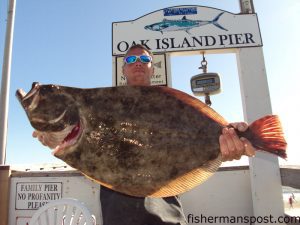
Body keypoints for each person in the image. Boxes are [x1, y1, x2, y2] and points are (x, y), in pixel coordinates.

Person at [33, 44, 255, 225]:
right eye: (130, 60)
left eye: (144, 60)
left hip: (168, 217)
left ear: (152, 68)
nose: (137, 63)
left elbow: (205, 133)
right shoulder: (102, 108)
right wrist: (56, 138)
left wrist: (229, 137)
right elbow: (89, 153)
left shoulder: (171, 106)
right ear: (123, 70)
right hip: (118, 217)